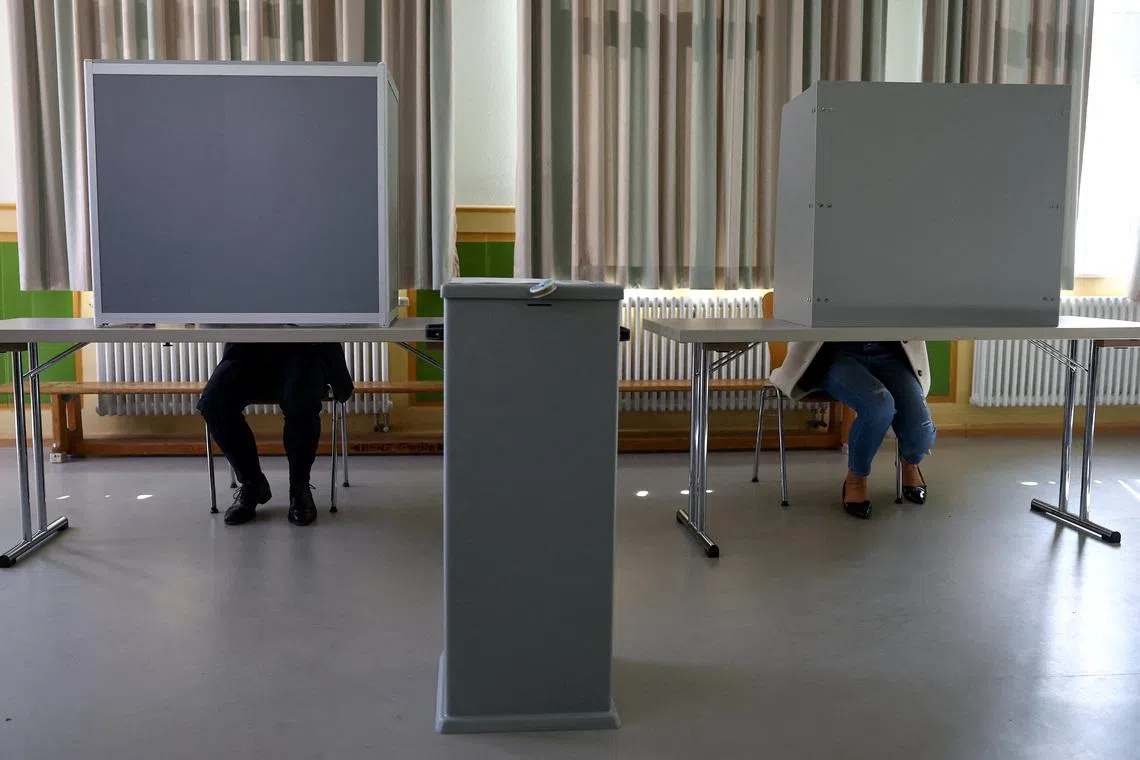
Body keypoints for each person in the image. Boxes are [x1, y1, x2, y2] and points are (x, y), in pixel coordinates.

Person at [769, 340, 935, 519]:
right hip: (838, 353)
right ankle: (856, 477)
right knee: (878, 406)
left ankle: (910, 463)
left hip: (891, 353)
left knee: (921, 433)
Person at [198, 343, 354, 527]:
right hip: (246, 353)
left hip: (303, 353)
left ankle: (299, 487)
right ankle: (253, 484)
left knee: (300, 400)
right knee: (213, 402)